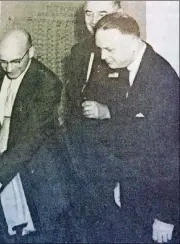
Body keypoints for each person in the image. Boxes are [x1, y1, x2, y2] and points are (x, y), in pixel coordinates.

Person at [0, 29, 71, 243]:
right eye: (3, 62)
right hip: (2, 173)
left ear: (31, 52)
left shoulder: (47, 83)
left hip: (37, 180)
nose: (9, 69)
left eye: (16, 61)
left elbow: (28, 142)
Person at [94, 12, 179, 243]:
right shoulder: (130, 69)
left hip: (158, 202)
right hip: (134, 190)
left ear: (132, 42)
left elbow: (171, 154)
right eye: (100, 49)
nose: (103, 57)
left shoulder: (162, 80)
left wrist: (166, 215)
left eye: (109, 49)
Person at [62, 1, 124, 242]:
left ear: (118, 12)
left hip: (112, 156)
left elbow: (144, 112)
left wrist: (108, 111)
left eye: (102, 13)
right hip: (78, 152)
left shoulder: (127, 53)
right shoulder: (79, 51)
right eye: (89, 13)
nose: (94, 19)